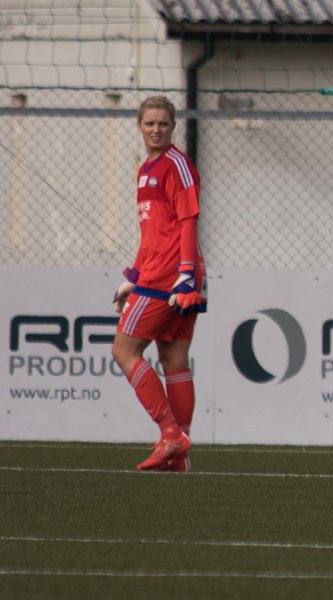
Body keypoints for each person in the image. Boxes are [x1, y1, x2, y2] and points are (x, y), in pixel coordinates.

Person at [111, 96, 208, 472]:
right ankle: (179, 455)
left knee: (123, 351)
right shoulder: (146, 169)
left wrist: (185, 275)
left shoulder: (176, 166)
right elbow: (154, 231)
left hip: (171, 277)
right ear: (139, 125)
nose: (156, 130)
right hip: (166, 275)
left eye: (163, 124)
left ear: (173, 127)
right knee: (173, 359)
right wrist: (132, 279)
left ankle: (170, 433)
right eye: (150, 124)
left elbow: (188, 221)